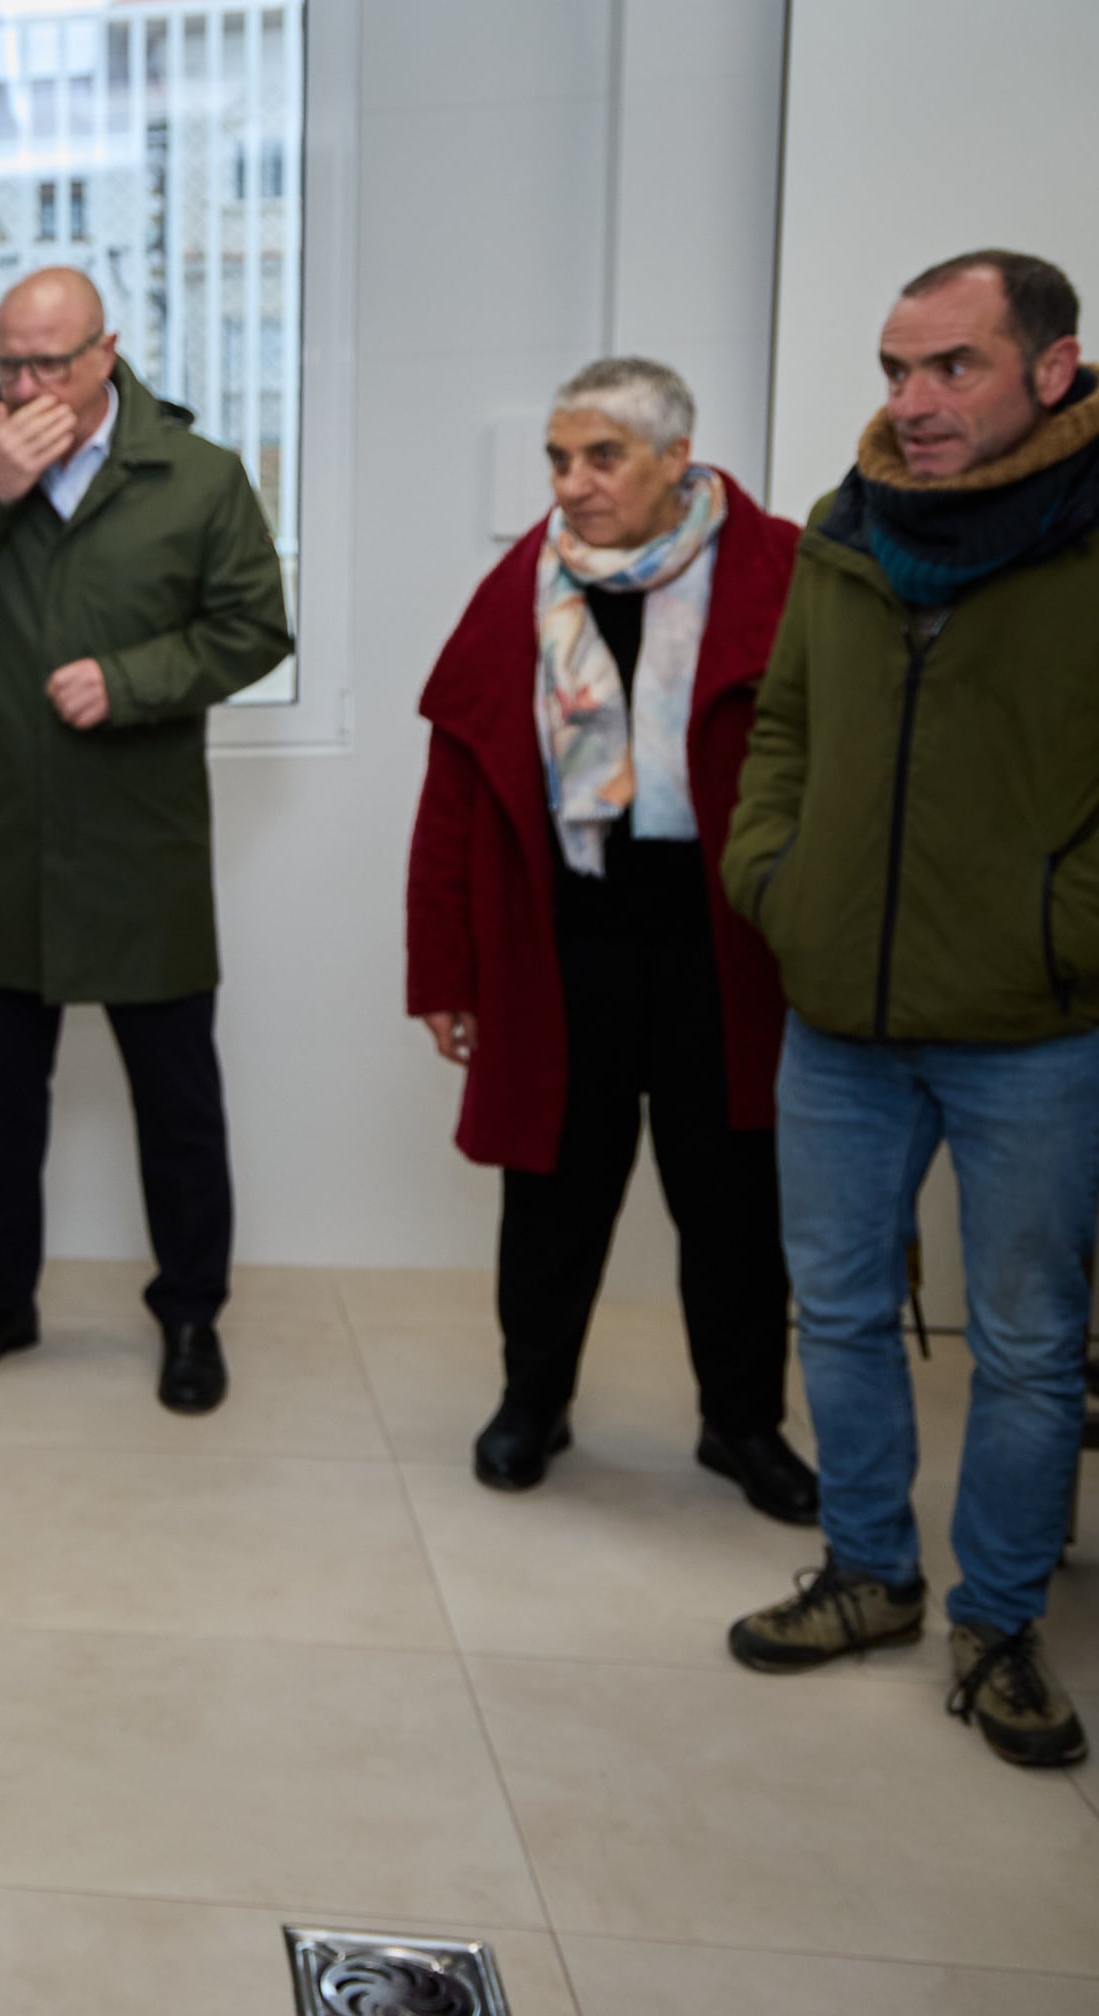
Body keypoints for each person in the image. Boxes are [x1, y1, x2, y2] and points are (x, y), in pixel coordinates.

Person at [722, 250, 1099, 1771]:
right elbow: (789, 725)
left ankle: (999, 1620)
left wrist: (1062, 932)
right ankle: (871, 1572)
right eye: (895, 368)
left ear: (1053, 370)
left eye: (952, 368)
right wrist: (775, 877)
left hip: (1037, 1027)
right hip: (842, 1020)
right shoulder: (847, 533)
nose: (913, 402)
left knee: (1025, 1345)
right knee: (842, 1314)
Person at [0, 267, 291, 1409]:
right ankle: (1, 1299)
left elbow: (257, 628)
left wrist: (136, 677)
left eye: (48, 363)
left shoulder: (197, 478)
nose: (24, 386)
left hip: (136, 844)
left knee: (178, 1106)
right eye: (6, 363)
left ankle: (192, 1315)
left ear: (107, 353)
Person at [404, 359, 817, 1521]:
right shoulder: (522, 586)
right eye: (558, 459)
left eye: (602, 458)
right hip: (560, 953)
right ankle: (532, 1404)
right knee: (551, 1201)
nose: (571, 486)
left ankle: (741, 1426)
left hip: (726, 958)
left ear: (677, 459)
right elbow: (456, 795)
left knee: (736, 1206)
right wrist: (445, 969)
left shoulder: (783, 570)